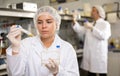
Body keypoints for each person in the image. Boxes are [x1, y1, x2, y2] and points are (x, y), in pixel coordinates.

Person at [6, 6, 79, 76]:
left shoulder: (67, 48)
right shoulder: (25, 44)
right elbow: (14, 74)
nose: (44, 26)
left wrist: (58, 72)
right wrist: (15, 48)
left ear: (57, 24)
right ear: (36, 25)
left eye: (48, 22)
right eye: (40, 22)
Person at [72, 5, 111, 76]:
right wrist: (74, 20)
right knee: (91, 73)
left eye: (93, 10)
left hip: (99, 56)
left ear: (99, 13)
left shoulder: (105, 24)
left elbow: (103, 36)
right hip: (90, 55)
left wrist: (92, 28)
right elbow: (79, 30)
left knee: (101, 74)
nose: (91, 12)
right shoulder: (91, 24)